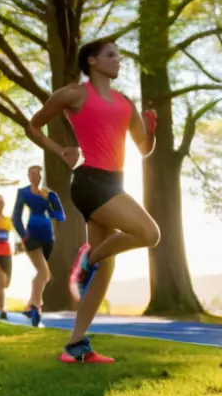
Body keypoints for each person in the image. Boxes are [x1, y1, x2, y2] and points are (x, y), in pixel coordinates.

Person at [24, 38, 159, 364]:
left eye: (119, 55)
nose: (118, 60)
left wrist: (151, 131)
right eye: (111, 55)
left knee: (104, 274)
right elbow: (33, 125)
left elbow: (144, 149)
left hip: (115, 181)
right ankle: (87, 259)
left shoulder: (125, 102)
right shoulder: (74, 94)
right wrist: (60, 151)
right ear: (93, 61)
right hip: (90, 181)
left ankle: (75, 345)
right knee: (150, 233)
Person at [11, 165, 66, 328]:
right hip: (31, 237)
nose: (35, 176)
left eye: (38, 174)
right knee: (43, 271)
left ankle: (31, 306)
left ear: (41, 177)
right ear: (28, 176)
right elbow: (15, 217)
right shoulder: (23, 193)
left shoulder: (50, 194)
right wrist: (23, 235)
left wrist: (51, 204)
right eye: (32, 174)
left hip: (48, 237)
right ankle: (36, 307)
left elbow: (61, 216)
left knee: (45, 275)